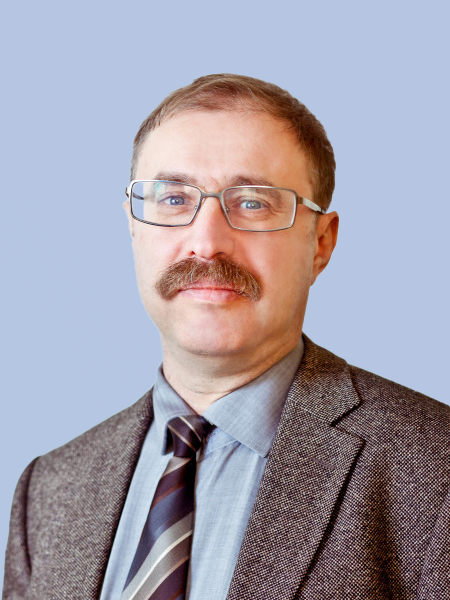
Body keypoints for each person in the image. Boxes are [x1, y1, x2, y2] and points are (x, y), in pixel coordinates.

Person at [3, 74, 449, 600]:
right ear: (134, 227)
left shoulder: (434, 468)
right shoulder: (49, 490)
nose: (207, 243)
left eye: (253, 203)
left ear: (321, 243)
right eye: (173, 199)